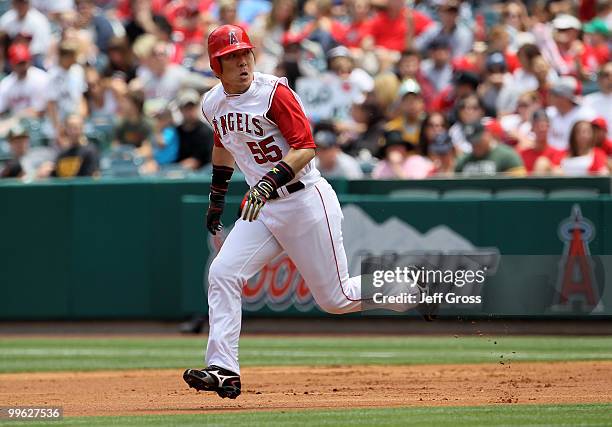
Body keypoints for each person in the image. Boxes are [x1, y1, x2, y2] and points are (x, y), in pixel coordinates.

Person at [182, 24, 429, 401]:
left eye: (245, 53)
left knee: (337, 299)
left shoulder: (273, 93)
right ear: (216, 66)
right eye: (231, 58)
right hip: (265, 209)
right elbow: (223, 143)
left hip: (304, 200)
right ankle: (225, 370)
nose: (242, 62)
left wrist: (265, 183)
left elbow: (305, 148)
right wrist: (217, 197)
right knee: (223, 273)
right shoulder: (212, 103)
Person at [455, 119, 526, 176]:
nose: (475, 144)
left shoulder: (507, 156)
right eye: (471, 141)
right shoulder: (463, 160)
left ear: (487, 135)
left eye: (478, 141)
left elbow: (518, 185)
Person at [176, 89, 214, 170]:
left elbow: (199, 161)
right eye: (186, 108)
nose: (190, 112)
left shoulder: (206, 132)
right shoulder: (176, 131)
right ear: (180, 110)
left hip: (203, 173)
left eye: (192, 107)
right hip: (178, 172)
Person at [519, 109, 566, 174]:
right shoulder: (523, 155)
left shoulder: (559, 154)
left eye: (544, 126)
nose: (542, 129)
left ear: (549, 127)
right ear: (532, 128)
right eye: (538, 126)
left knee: (542, 163)